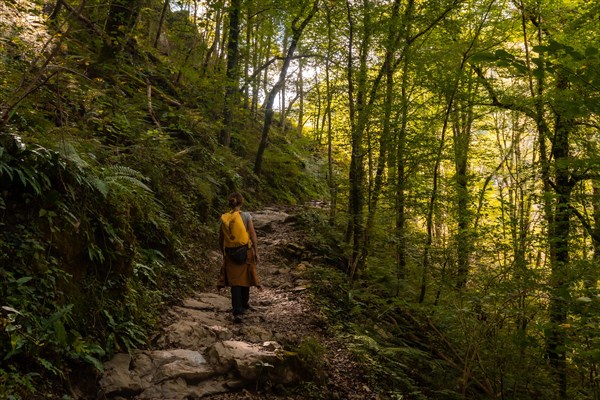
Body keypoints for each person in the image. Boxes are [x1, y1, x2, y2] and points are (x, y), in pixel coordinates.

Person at [218, 193, 260, 322]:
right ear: (241, 203)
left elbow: (221, 238)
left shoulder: (224, 218)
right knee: (246, 277)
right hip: (245, 252)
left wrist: (223, 253)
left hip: (230, 252)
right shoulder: (246, 216)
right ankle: (244, 304)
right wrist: (256, 251)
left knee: (235, 281)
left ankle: (237, 310)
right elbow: (252, 234)